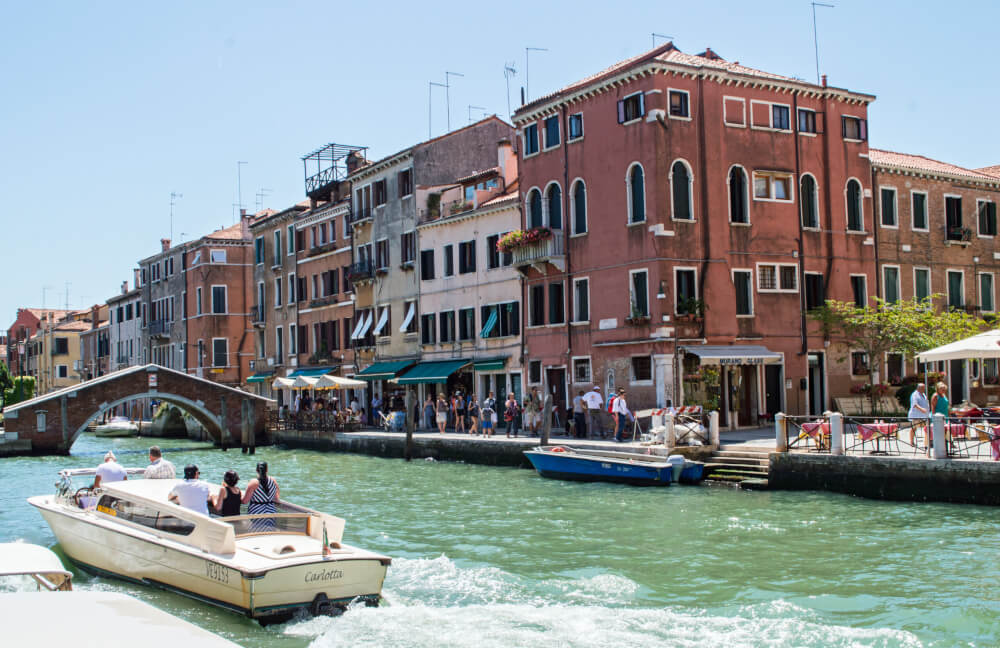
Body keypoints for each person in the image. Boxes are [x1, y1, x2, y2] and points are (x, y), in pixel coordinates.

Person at [242, 462, 280, 530]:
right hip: (271, 512)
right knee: (269, 533)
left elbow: (245, 501)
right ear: (267, 470)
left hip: (257, 513)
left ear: (256, 470)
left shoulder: (254, 482)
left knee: (257, 533)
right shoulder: (273, 480)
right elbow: (277, 499)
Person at [929, 382, 950, 455]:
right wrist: (934, 417)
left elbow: (947, 406)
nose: (943, 390)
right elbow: (933, 407)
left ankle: (945, 446)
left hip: (945, 416)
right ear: (938, 389)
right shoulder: (935, 396)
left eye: (944, 389)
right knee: (939, 432)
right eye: (942, 389)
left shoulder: (944, 395)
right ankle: (940, 447)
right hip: (938, 417)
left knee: (945, 431)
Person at [908, 383, 930, 448]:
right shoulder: (914, 395)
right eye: (923, 388)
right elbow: (915, 404)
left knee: (926, 429)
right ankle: (911, 442)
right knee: (914, 428)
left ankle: (926, 442)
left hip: (923, 415)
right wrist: (922, 409)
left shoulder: (923, 394)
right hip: (916, 415)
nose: (924, 389)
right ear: (919, 388)